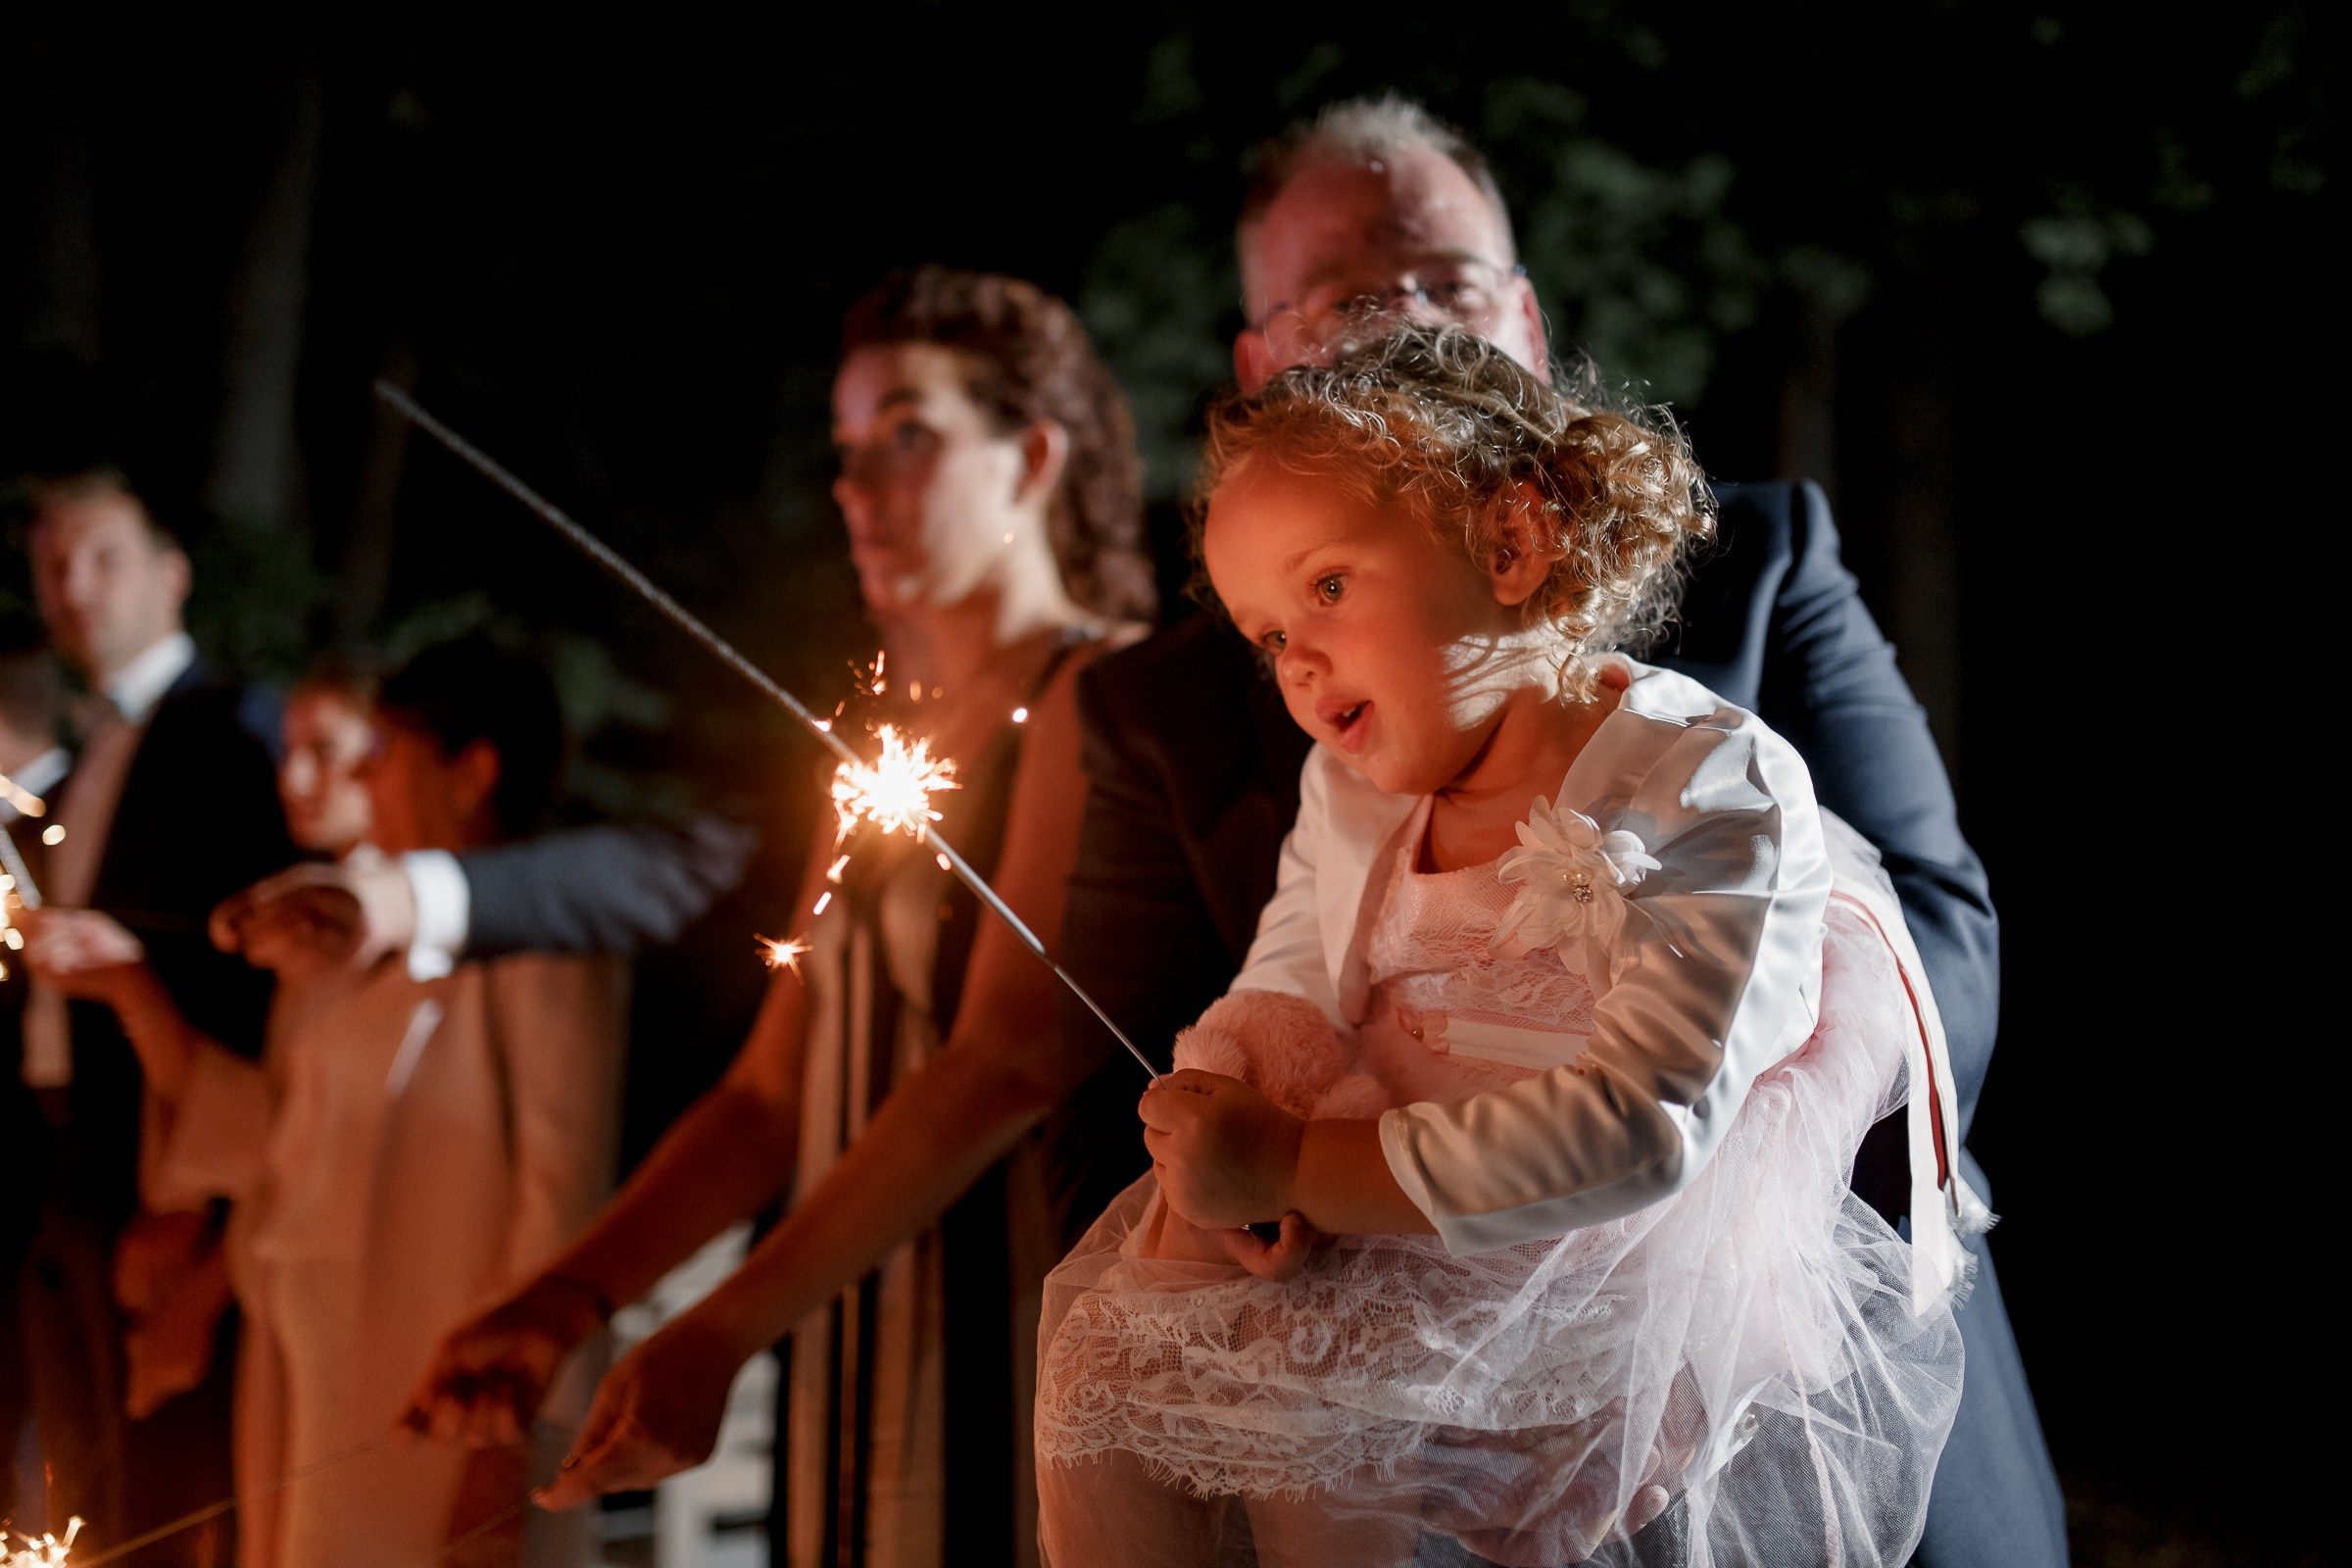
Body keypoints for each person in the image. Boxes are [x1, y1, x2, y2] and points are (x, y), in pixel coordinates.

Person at [1053, 98, 2062, 1567]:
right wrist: (1227, 1116)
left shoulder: (1728, 673)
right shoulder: (1306, 751)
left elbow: (1934, 932)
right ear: (1263, 358)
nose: (1294, 662)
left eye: (1442, 285)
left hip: (1686, 1348)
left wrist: (1825, 1069)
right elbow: (1269, 969)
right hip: (1376, 1313)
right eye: (1345, 297)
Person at [408, 267, 1155, 1568]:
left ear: (1033, 456)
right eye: (848, 448)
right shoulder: (879, 747)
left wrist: (716, 1328)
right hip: (845, 1359)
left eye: (909, 435)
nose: (857, 488)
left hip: (1019, 1370)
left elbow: (1005, 1058)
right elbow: (771, 1095)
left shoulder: (1101, 696)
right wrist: (562, 1299)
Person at [27, 634, 625, 1568]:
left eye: (380, 755)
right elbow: (272, 1138)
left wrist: (514, 1439)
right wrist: (134, 990)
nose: (361, 779)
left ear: (473, 770)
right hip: (309, 1369)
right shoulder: (331, 948)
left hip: (437, 1380)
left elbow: (563, 1195)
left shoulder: (537, 941)